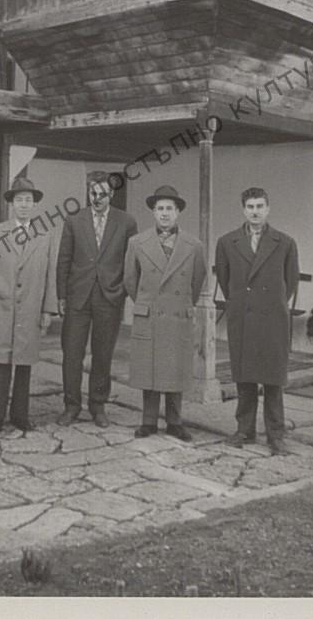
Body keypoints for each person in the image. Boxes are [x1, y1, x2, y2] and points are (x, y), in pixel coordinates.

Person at [215, 187, 300, 455]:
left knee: (273, 380)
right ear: (243, 209)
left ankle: (276, 435)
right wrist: (243, 304)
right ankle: (245, 430)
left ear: (268, 209)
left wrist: (270, 305)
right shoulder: (227, 242)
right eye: (250, 207)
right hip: (243, 318)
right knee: (245, 377)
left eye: (259, 206)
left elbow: (291, 282)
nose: (255, 212)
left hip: (272, 319)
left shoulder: (285, 242)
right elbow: (225, 282)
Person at [124, 185, 206, 442]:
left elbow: (197, 280)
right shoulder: (137, 243)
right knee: (149, 369)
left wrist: (178, 304)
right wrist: (147, 302)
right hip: (150, 314)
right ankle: (148, 421)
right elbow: (130, 279)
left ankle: (175, 422)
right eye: (160, 208)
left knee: (175, 369)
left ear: (178, 212)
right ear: (153, 212)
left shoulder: (194, 245)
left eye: (170, 208)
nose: (165, 213)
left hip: (177, 315)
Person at [56, 170, 137, 427]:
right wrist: (61, 295)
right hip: (77, 296)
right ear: (88, 193)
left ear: (111, 194)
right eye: (93, 193)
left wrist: (122, 291)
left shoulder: (126, 222)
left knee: (103, 354)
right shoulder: (74, 220)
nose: (97, 198)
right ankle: (71, 405)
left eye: (103, 193)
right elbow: (64, 259)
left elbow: (131, 262)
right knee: (72, 353)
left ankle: (98, 405)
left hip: (109, 297)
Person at [0, 176, 57, 433]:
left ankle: (20, 415)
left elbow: (51, 275)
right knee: (1, 363)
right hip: (3, 308)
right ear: (12, 204)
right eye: (19, 200)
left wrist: (47, 310)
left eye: (28, 200)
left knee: (24, 363)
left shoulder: (45, 235)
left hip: (31, 308)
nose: (23, 205)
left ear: (34, 204)